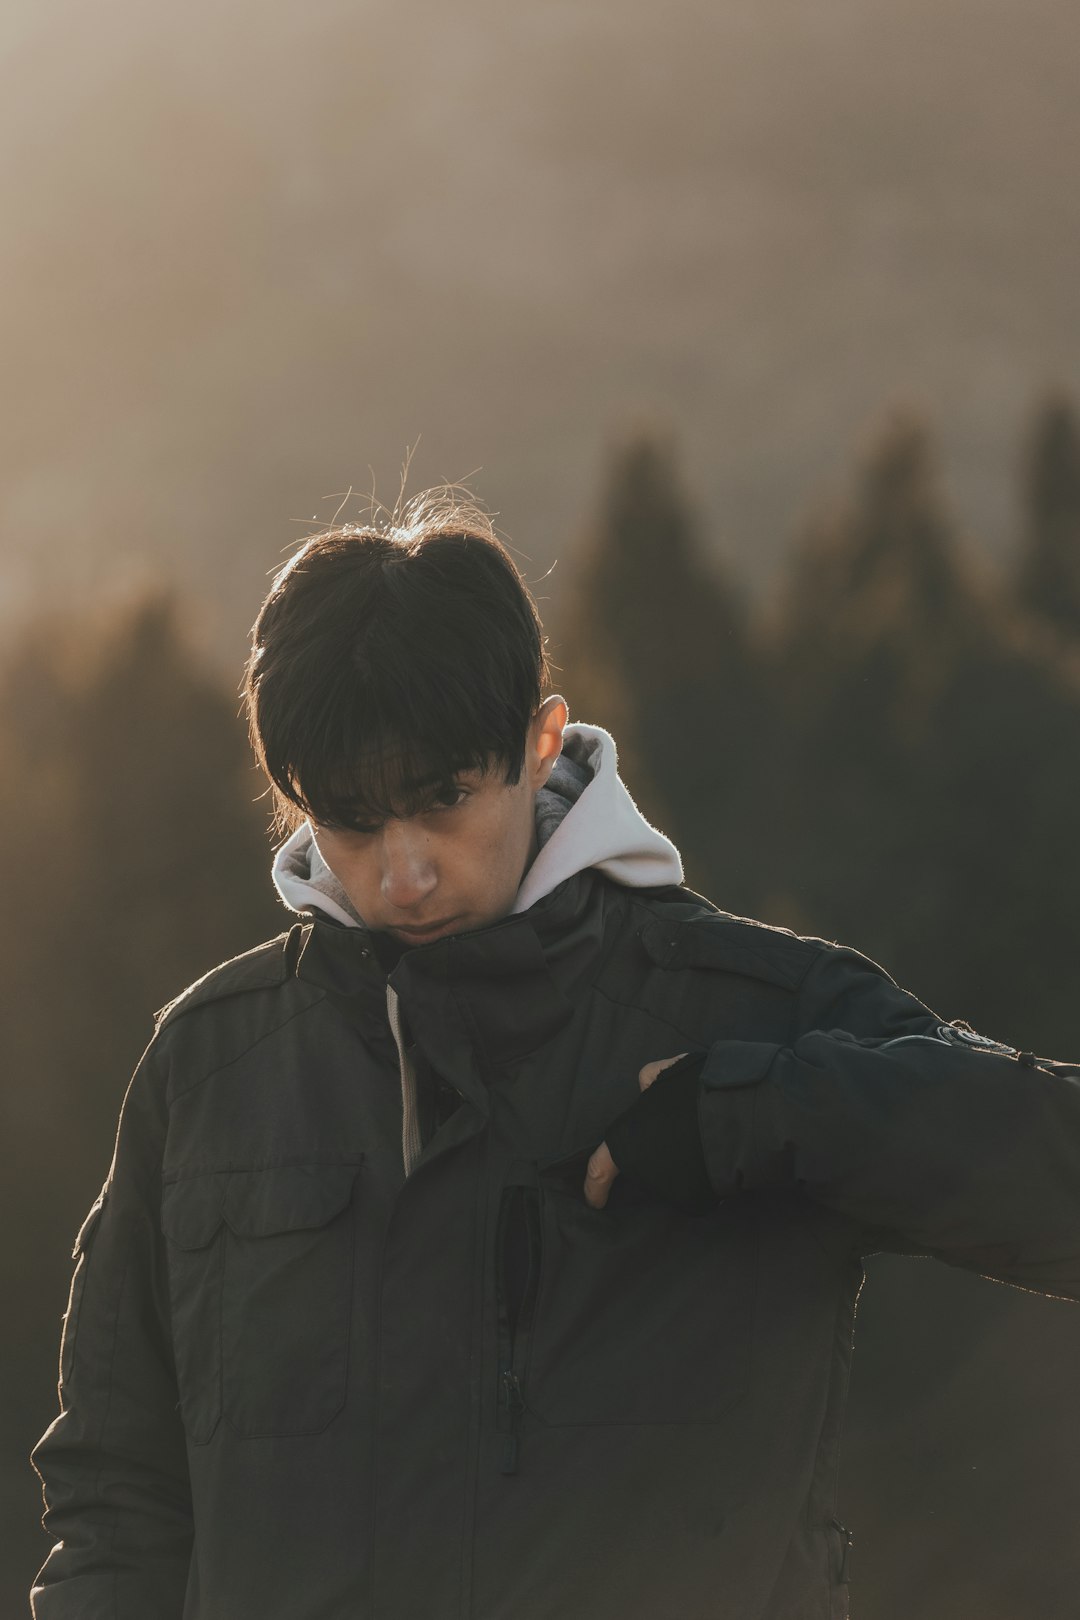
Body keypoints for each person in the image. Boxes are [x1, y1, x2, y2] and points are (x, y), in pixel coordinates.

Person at [31, 491, 1080, 1620]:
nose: (403, 870)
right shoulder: (209, 1069)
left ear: (539, 741)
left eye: (443, 800)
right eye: (349, 818)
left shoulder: (752, 1015)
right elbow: (119, 1492)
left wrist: (767, 1114)